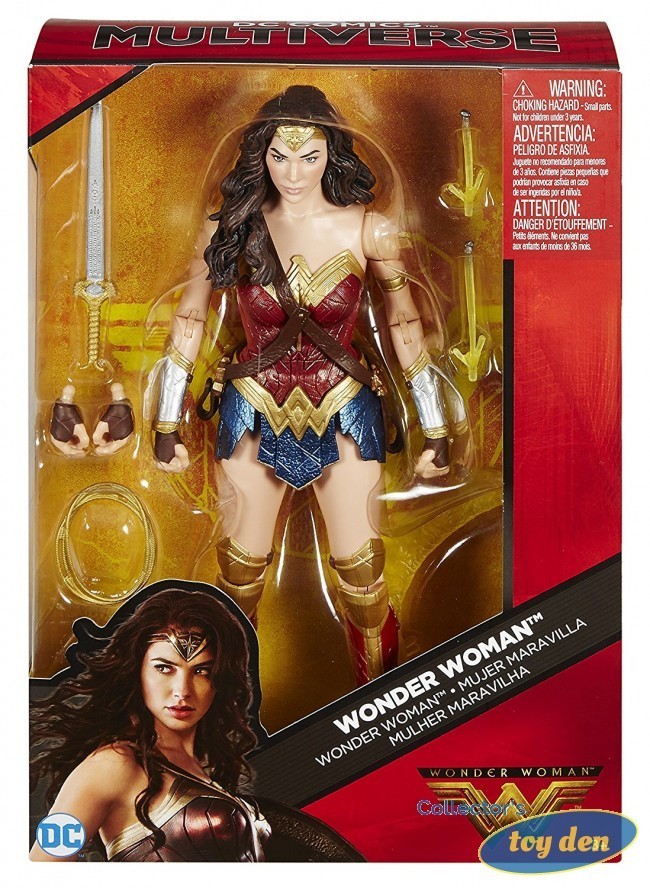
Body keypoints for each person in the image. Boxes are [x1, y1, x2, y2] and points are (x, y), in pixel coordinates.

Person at [151, 85, 468, 684]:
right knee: (238, 580)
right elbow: (190, 317)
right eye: (279, 156)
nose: (293, 173)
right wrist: (166, 419)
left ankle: (384, 709)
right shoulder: (228, 226)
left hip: (344, 409)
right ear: (260, 155)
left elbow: (404, 324)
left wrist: (434, 424)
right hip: (253, 408)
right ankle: (224, 716)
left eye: (309, 157)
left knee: (364, 578)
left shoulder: (370, 229)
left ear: (332, 155)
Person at [30, 588, 270, 861]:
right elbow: (41, 866)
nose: (182, 690)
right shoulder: (112, 764)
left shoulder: (199, 767)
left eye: (202, 671)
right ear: (137, 670)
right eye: (164, 668)